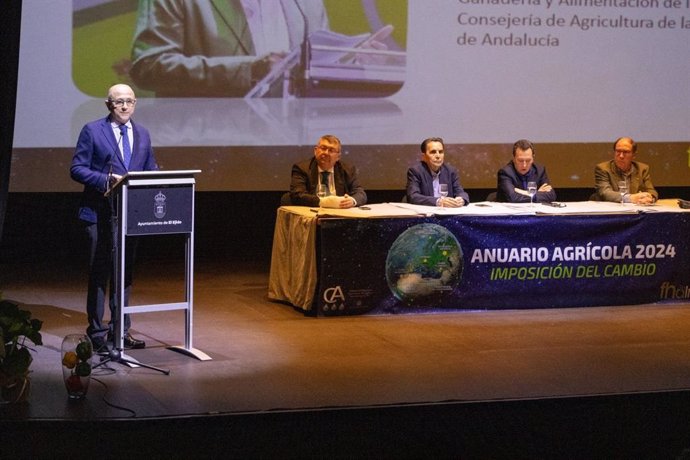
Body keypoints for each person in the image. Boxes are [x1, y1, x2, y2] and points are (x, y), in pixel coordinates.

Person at [70, 84, 158, 352]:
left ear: (135, 104)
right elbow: (77, 169)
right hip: (99, 213)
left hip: (129, 215)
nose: (124, 106)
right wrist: (107, 180)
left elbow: (150, 168)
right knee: (100, 273)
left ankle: (121, 331)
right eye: (119, 101)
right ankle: (97, 332)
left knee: (124, 274)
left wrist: (157, 179)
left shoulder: (142, 134)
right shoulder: (92, 130)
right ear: (109, 104)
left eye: (129, 101)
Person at [289, 134, 366, 208]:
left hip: (339, 214)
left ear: (338, 156)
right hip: (312, 213)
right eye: (323, 148)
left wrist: (352, 201)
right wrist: (323, 202)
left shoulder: (347, 169)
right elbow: (297, 195)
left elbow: (360, 193)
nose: (326, 153)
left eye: (331, 150)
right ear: (315, 151)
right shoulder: (302, 168)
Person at [406, 137, 469, 207]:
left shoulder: (450, 171)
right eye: (433, 152)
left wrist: (461, 199)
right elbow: (413, 196)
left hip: (447, 213)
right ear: (424, 157)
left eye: (441, 152)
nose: (438, 156)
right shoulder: (416, 171)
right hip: (427, 214)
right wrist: (438, 201)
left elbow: (461, 193)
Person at [594, 137, 658, 204]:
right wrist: (630, 198)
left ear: (634, 155)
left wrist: (650, 198)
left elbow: (651, 191)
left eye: (626, 152)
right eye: (618, 151)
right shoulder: (603, 168)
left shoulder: (642, 169)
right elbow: (605, 193)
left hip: (635, 210)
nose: (621, 156)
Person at [496, 139, 556, 203]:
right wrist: (536, 193)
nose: (524, 165)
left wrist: (524, 192)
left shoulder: (540, 171)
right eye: (520, 160)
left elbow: (551, 195)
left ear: (533, 158)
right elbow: (513, 197)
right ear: (514, 159)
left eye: (528, 160)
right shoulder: (505, 173)